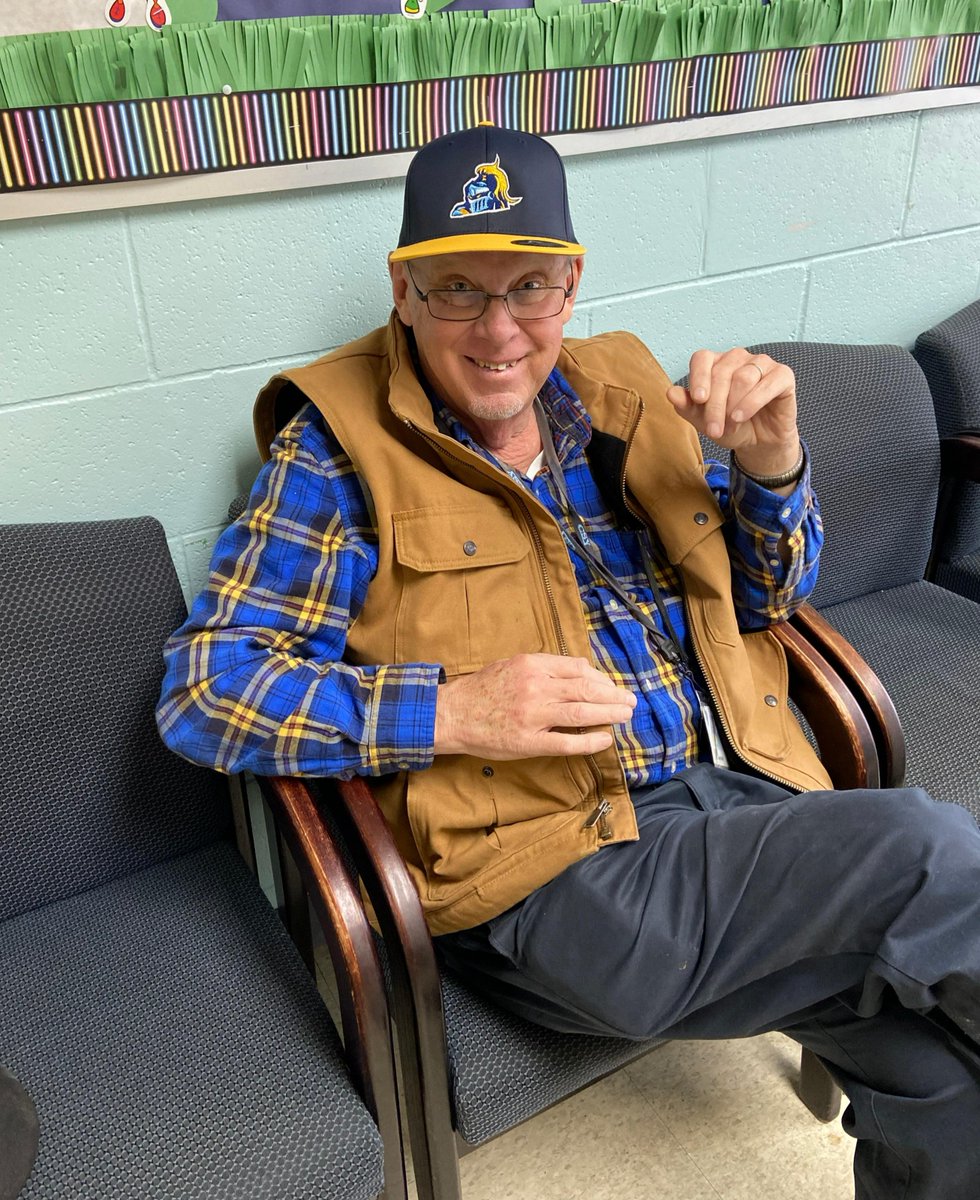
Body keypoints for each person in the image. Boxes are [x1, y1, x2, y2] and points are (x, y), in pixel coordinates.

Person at [158, 123, 980, 1198]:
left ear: (570, 282)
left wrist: (773, 465)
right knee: (921, 852)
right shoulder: (334, 447)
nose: (497, 331)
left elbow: (766, 598)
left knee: (942, 1077)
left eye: (529, 288)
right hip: (558, 883)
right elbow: (205, 691)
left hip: (727, 805)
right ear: (403, 291)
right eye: (456, 289)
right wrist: (454, 711)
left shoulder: (618, 389)